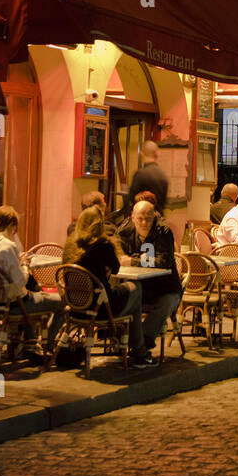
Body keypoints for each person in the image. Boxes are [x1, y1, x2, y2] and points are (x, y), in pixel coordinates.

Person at [63, 206, 154, 367]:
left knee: (129, 297)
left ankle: (125, 343)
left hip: (75, 308)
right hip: (101, 309)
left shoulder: (70, 245)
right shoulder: (102, 245)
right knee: (136, 289)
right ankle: (138, 351)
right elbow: (117, 268)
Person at [0, 205, 62, 358]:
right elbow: (19, 284)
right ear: (12, 226)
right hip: (12, 304)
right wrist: (24, 265)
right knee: (61, 302)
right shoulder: (7, 246)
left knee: (34, 293)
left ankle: (30, 344)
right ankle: (46, 346)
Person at [117, 199, 182, 345]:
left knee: (165, 305)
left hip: (166, 288)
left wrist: (134, 261)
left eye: (148, 219)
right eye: (140, 219)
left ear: (154, 218)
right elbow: (119, 258)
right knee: (125, 295)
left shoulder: (163, 232)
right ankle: (120, 340)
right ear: (133, 217)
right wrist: (144, 259)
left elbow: (164, 262)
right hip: (140, 285)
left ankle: (141, 344)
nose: (144, 223)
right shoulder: (124, 232)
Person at [128, 140, 169, 213]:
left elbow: (131, 199)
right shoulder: (163, 175)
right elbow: (164, 202)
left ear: (141, 154)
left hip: (143, 218)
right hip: (158, 219)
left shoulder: (140, 175)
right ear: (156, 154)